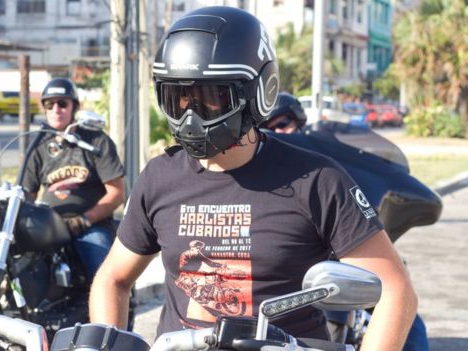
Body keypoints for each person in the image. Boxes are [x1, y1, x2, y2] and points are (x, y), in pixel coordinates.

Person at [89, 6, 417, 351]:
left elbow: (395, 290)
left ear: (257, 93)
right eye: (178, 97)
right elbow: (113, 277)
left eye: (211, 98)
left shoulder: (316, 180)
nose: (190, 117)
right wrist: (106, 339)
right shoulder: (159, 177)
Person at [264, 91, 429, 351]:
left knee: (403, 308)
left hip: (336, 249)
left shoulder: (320, 160)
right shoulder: (262, 172)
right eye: (267, 128)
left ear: (299, 122)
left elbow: (357, 172)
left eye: (282, 125)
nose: (278, 133)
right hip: (294, 270)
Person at [21, 77, 125, 280]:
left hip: (90, 226)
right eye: (49, 104)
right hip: (49, 226)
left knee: (103, 275)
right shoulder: (39, 144)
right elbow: (27, 194)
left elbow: (117, 193)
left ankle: (111, 306)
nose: (55, 109)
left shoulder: (95, 141)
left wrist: (85, 219)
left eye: (62, 103)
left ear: (74, 107)